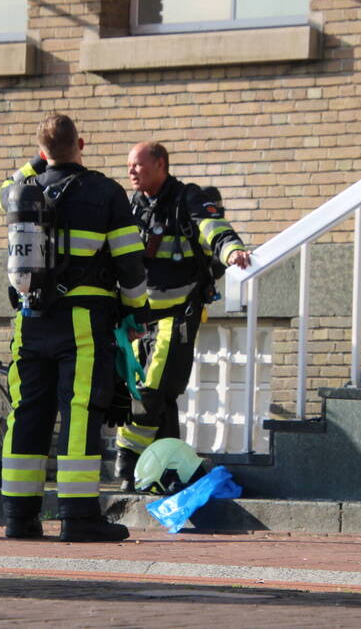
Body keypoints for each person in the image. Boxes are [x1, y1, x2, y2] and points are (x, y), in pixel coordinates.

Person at [0, 113, 148, 542]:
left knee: (27, 412)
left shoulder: (19, 193)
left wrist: (36, 162)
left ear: (41, 151)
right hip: (84, 320)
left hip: (30, 321)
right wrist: (136, 309)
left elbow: (3, 190)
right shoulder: (105, 192)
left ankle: (18, 517)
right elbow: (129, 263)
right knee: (79, 411)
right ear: (81, 143)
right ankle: (79, 517)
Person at [114, 141, 250, 491]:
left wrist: (232, 251)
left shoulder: (186, 198)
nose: (131, 171)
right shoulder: (135, 205)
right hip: (140, 318)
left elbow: (212, 228)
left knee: (151, 389)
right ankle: (167, 471)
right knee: (158, 396)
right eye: (129, 165)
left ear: (160, 165)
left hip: (176, 315)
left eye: (138, 165)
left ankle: (128, 462)